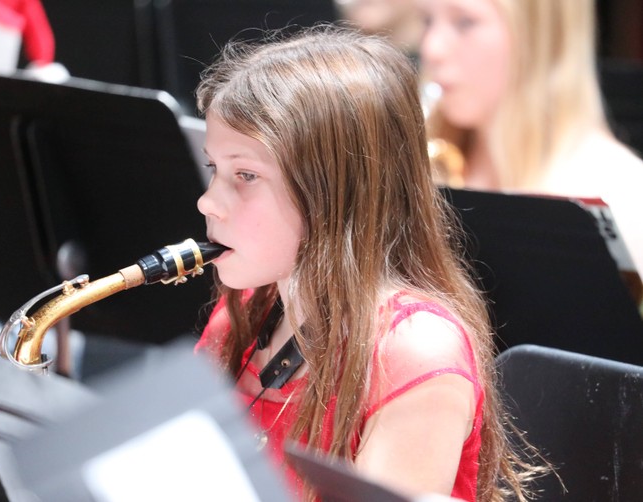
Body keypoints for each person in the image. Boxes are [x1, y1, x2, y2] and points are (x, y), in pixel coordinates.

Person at [193, 25, 541, 501]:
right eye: (215, 169)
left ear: (336, 191)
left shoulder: (413, 353)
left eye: (246, 175)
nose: (208, 202)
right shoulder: (245, 309)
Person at [415, 0, 643, 275]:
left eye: (465, 22)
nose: (432, 49)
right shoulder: (426, 164)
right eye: (427, 20)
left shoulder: (623, 195)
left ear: (542, 35)